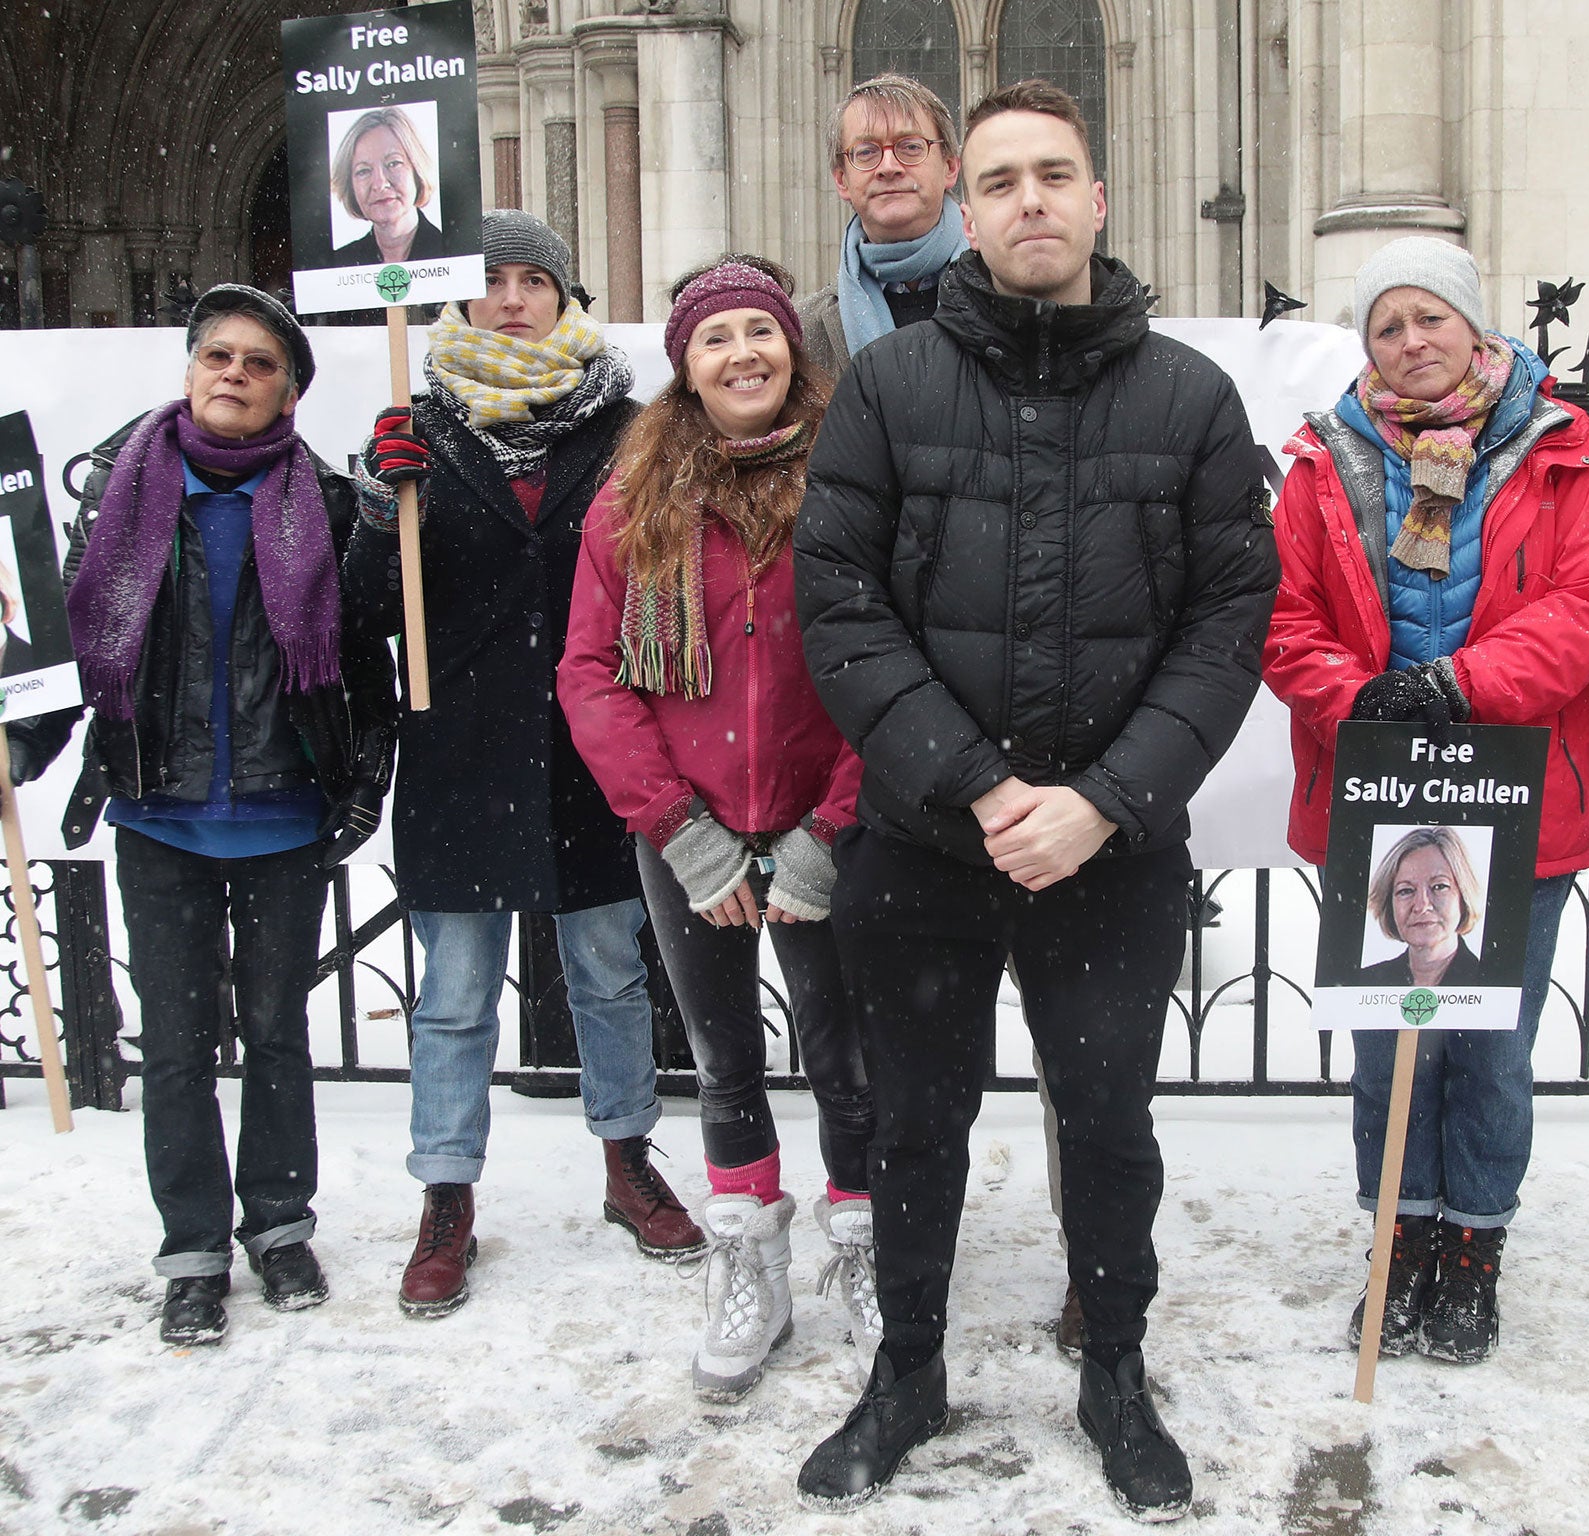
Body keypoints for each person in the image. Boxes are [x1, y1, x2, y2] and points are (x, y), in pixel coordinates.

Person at [793, 80, 1277, 1521]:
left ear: (1098, 197)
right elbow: (840, 606)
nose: (1029, 203)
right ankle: (909, 1374)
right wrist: (989, 786)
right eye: (998, 180)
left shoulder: (1190, 398)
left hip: (1113, 857)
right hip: (927, 844)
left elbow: (1226, 624)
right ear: (967, 204)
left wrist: (1106, 801)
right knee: (913, 1129)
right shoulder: (889, 388)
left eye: (1053, 175)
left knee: (1110, 1122)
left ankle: (1115, 1374)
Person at [1262, 236, 1589, 1365]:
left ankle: (1471, 1249)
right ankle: (1400, 1240)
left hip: (1519, 799)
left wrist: (1461, 684)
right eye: (1385, 325)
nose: (1410, 342)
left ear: (1476, 331)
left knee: (1486, 1049)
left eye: (1429, 318)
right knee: (1391, 1049)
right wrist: (1362, 698)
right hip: (1377, 795)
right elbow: (1282, 622)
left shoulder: (1561, 450)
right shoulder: (1323, 461)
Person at [5, 284, 398, 1346]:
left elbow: (365, 658)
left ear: (289, 391)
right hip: (159, 816)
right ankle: (190, 1250)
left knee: (275, 1037)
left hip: (282, 816)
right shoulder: (122, 497)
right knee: (175, 1048)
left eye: (258, 362)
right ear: (188, 371)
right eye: (216, 355)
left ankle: (277, 1225)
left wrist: (363, 782)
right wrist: (16, 743)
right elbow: (68, 656)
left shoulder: (322, 500)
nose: (233, 373)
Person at [347, 209, 700, 1319]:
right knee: (452, 997)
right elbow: (367, 611)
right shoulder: (420, 426)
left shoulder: (632, 428)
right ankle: (446, 1196)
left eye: (533, 279)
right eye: (491, 280)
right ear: (460, 298)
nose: (512, 297)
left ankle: (625, 1162)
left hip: (594, 753)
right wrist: (373, 506)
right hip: (459, 748)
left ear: (564, 296)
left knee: (607, 973)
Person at [558, 255, 877, 1401]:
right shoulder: (631, 504)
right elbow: (592, 675)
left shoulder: (852, 484)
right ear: (684, 369)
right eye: (714, 338)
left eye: (760, 330)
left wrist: (830, 827)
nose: (742, 352)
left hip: (822, 825)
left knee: (847, 1058)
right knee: (724, 1059)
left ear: (791, 348)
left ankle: (866, 1246)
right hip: (685, 829)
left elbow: (887, 666)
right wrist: (676, 826)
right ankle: (749, 1261)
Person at [794, 73, 967, 382]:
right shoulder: (803, 333)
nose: (888, 167)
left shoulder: (1008, 295)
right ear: (842, 180)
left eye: (911, 147)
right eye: (866, 152)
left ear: (950, 167)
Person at [1358, 828, 1486, 988]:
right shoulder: (1364, 983)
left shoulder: (1490, 984)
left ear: (1464, 896)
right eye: (1406, 890)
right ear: (1389, 904)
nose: (1421, 905)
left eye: (1439, 886)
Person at [329, 106, 445, 267]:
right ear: (350, 186)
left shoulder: (450, 252)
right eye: (363, 171)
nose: (379, 184)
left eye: (393, 163)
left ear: (417, 169)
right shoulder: (337, 264)